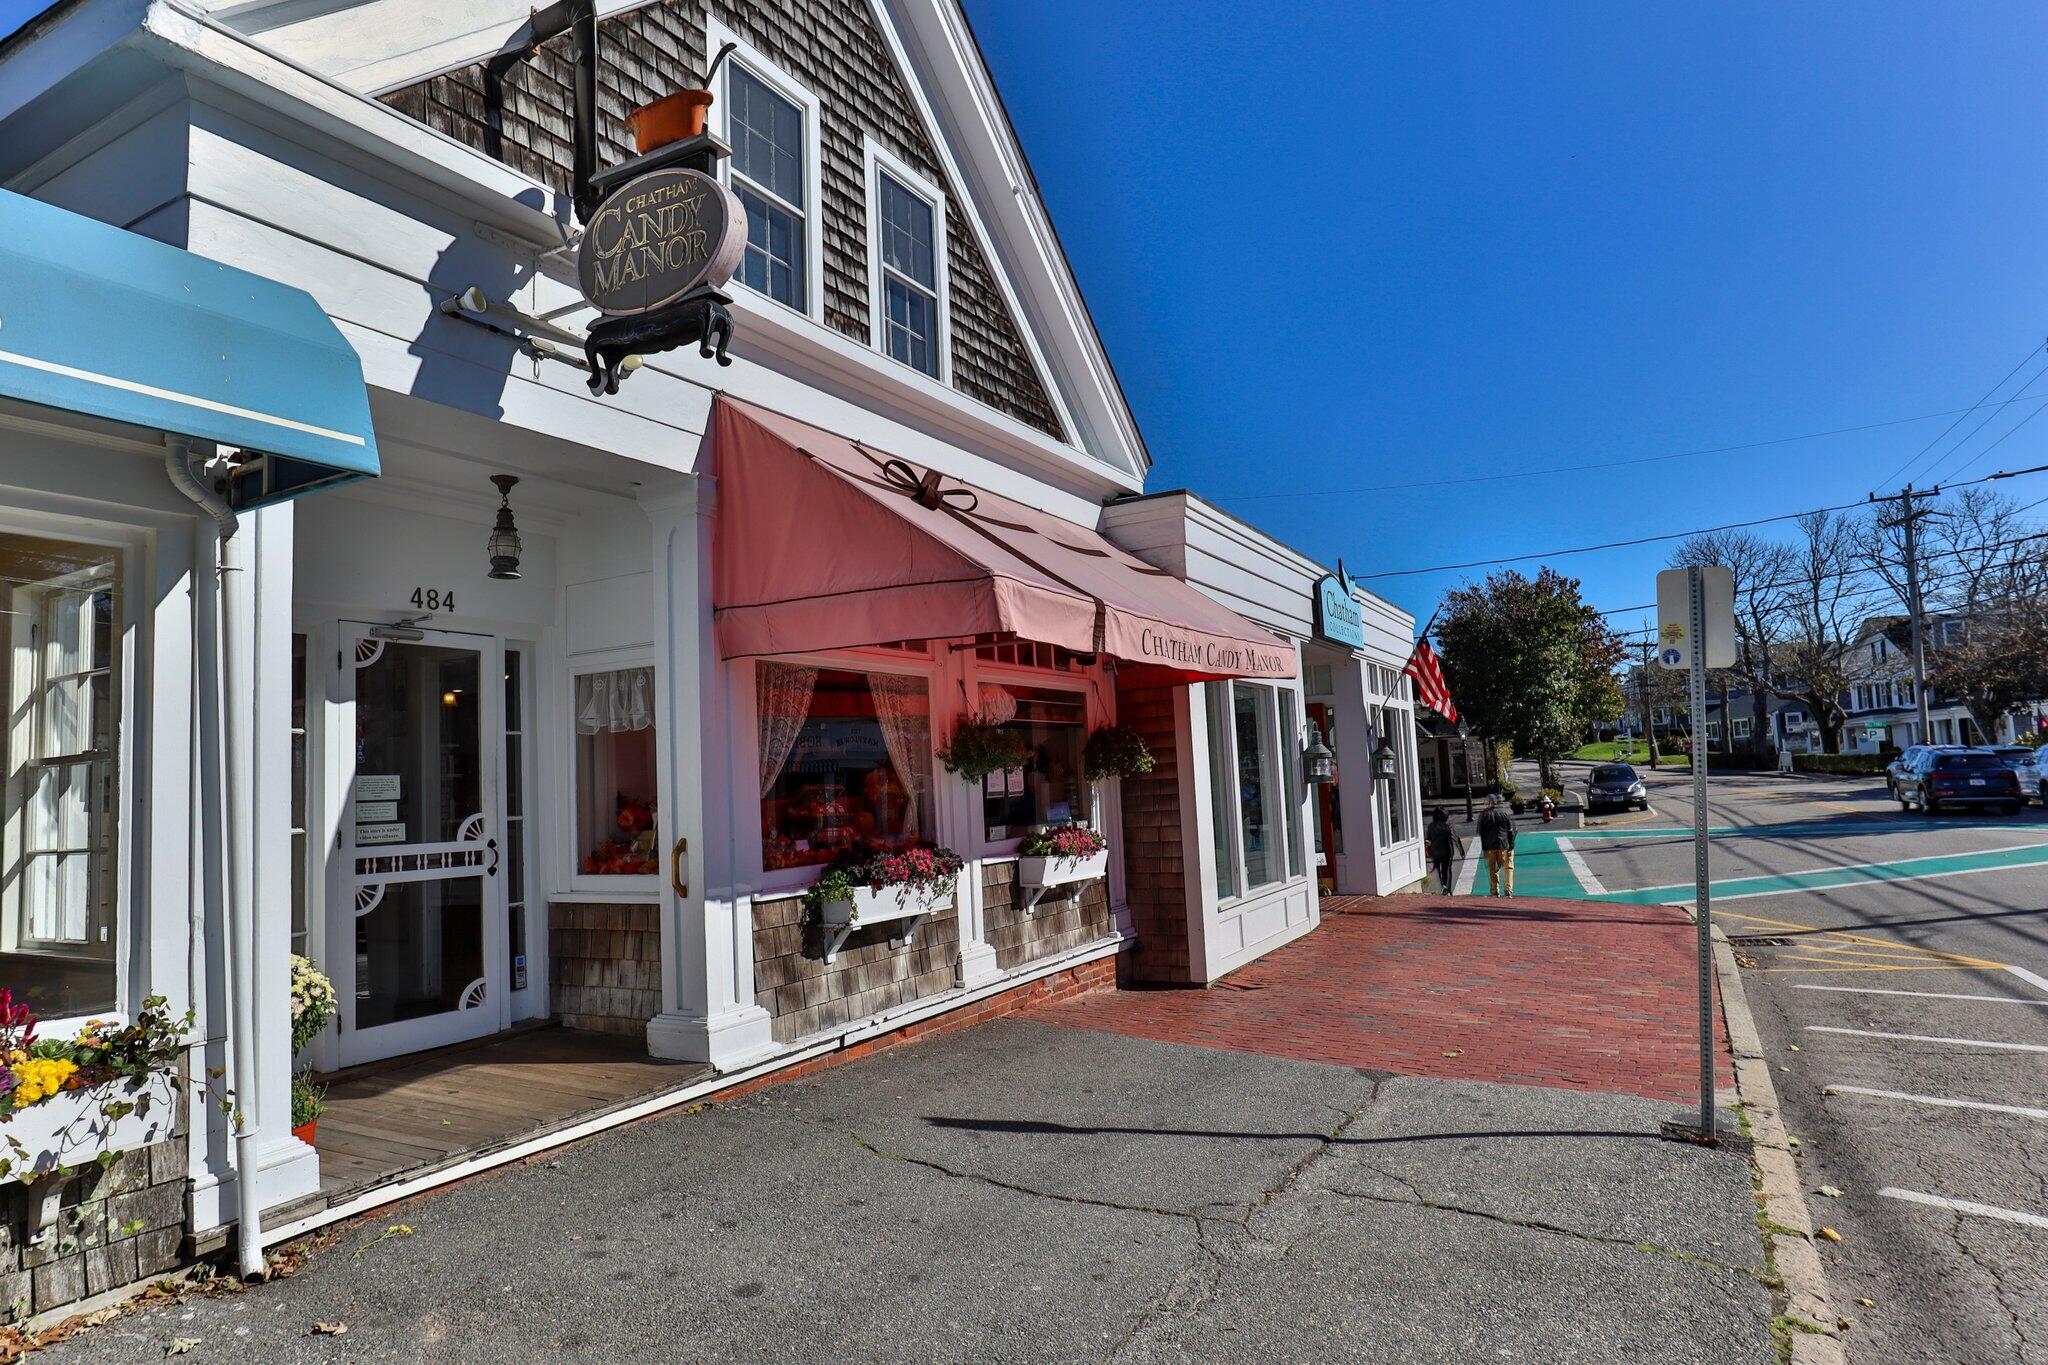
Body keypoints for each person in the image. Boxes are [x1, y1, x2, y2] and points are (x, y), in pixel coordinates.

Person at [1476, 791, 1517, 897]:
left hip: (1489, 846)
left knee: (1492, 869)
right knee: (1508, 867)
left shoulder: (1483, 815)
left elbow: (1480, 832)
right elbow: (1511, 830)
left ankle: (1495, 890)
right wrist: (1511, 844)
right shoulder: (1504, 813)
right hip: (1503, 844)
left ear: (1488, 802)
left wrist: (1484, 846)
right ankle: (1508, 889)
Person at [1425, 808, 1456, 892]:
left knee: (1437, 870)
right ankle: (1448, 889)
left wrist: (1427, 850)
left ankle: (1442, 886)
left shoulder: (1431, 826)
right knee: (1447, 869)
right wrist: (1461, 851)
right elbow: (1455, 838)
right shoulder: (1448, 825)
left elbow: (1428, 840)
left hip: (1436, 851)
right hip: (1448, 851)